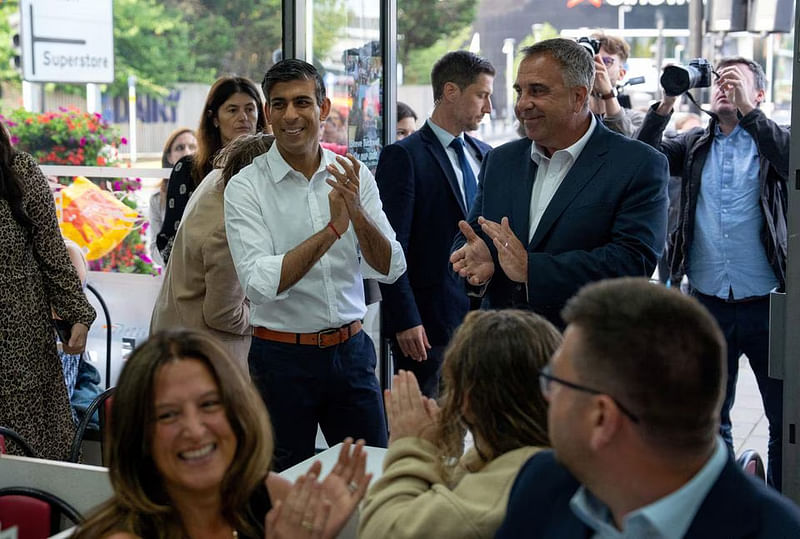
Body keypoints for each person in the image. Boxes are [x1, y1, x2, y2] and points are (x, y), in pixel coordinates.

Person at [496, 278, 800, 538]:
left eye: (553, 381)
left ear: (602, 417)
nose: (546, 396)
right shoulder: (542, 484)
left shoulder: (778, 532)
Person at [224, 59, 406, 471]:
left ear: (323, 109)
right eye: (280, 104)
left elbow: (391, 265)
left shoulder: (353, 174)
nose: (291, 115)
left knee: (370, 472)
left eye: (302, 102)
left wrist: (357, 213)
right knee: (281, 484)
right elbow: (259, 283)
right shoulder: (245, 187)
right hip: (282, 360)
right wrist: (331, 231)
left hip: (352, 353)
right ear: (267, 114)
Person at [637, 57, 789, 491]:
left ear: (759, 94)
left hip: (768, 304)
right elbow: (644, 157)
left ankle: (776, 509)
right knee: (710, 418)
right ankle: (725, 505)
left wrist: (750, 112)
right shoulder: (693, 144)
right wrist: (666, 100)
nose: (723, 87)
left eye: (735, 81)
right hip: (706, 304)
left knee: (783, 419)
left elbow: (790, 158)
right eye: (719, 81)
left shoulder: (772, 141)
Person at [449, 38, 668, 328]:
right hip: (503, 349)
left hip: (585, 353)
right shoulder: (501, 161)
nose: (523, 104)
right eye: (520, 91)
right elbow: (475, 234)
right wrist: (477, 262)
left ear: (579, 97)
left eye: (537, 91)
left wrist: (532, 270)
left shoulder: (638, 163)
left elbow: (632, 262)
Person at [73, 329, 372, 539]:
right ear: (140, 437)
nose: (194, 429)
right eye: (168, 415)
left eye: (209, 405)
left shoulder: (272, 495)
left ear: (238, 413)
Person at [358, 309, 560, 538]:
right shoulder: (556, 457)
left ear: (467, 401)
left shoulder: (496, 497)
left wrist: (411, 447)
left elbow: (382, 531)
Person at [376, 51, 494, 397]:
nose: (488, 107)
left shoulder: (486, 154)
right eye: (482, 95)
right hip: (428, 326)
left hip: (482, 323)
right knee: (429, 431)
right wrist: (405, 319)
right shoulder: (404, 156)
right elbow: (390, 247)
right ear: (451, 91)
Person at [0, 123, 96, 460]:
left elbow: (53, 254)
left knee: (27, 468)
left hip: (20, 355)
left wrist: (78, 314)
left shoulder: (20, 171)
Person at [151, 133, 275, 370]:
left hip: (176, 335)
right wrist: (273, 318)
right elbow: (224, 314)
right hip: (200, 356)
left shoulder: (218, 179)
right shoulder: (230, 226)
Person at [157, 77, 267, 264]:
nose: (243, 117)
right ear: (214, 118)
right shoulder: (188, 169)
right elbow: (169, 243)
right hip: (201, 278)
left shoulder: (272, 166)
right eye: (232, 110)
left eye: (250, 109)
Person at [149, 128, 197, 266]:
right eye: (180, 148)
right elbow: (154, 249)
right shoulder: (157, 199)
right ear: (169, 157)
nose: (187, 152)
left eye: (192, 147)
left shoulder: (208, 190)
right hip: (172, 275)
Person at [587, 32, 645, 137]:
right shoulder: (572, 114)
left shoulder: (635, 119)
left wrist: (608, 93)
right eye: (592, 60)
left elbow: (626, 144)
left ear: (621, 74)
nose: (596, 66)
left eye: (606, 61)